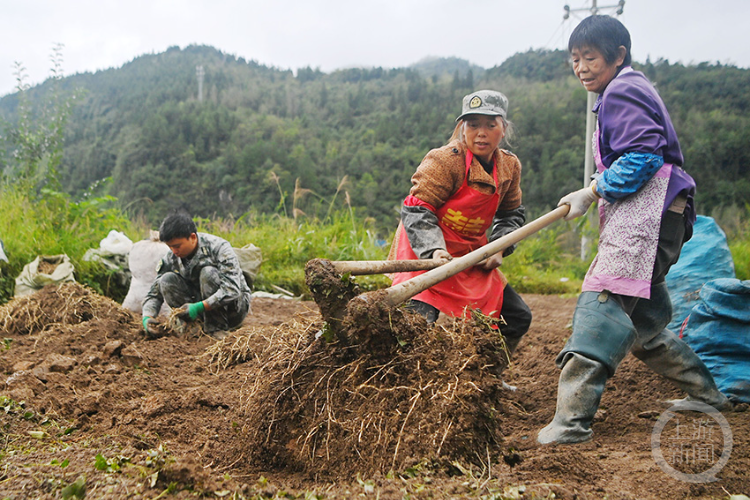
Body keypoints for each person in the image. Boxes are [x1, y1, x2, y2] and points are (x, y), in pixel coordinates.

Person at [537, 15, 730, 445]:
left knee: (601, 304)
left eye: (590, 57)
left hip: (650, 217)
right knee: (643, 324)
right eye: (574, 59)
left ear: (618, 55)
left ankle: (570, 423)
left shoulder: (623, 89)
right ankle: (708, 395)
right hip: (659, 216)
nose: (581, 67)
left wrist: (592, 189)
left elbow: (642, 155)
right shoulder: (622, 88)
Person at [388, 89, 531, 361]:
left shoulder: (509, 167)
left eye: (491, 125)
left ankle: (484, 381)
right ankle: (406, 386)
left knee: (516, 317)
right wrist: (433, 252)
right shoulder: (445, 160)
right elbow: (417, 209)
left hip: (470, 252)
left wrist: (498, 248)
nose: (481, 133)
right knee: (416, 324)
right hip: (426, 249)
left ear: (504, 128)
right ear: (462, 128)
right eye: (473, 124)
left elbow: (511, 215)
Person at [141, 213, 252, 339]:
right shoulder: (172, 257)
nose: (174, 251)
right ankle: (192, 328)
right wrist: (147, 317)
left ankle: (216, 329)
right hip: (198, 310)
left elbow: (231, 290)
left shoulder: (219, 248)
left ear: (192, 237)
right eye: (170, 247)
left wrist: (199, 307)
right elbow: (154, 293)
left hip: (232, 310)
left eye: (177, 246)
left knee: (208, 273)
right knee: (166, 280)